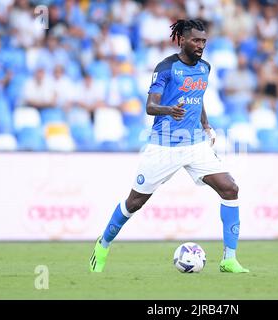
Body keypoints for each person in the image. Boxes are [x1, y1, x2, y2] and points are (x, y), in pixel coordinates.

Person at [89, 19, 249, 274]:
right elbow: (150, 106)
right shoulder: (166, 68)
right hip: (164, 145)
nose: (201, 46)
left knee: (230, 188)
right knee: (135, 202)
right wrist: (168, 110)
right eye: (196, 40)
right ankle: (103, 243)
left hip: (195, 143)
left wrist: (206, 125)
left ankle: (229, 259)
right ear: (182, 40)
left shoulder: (205, 68)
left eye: (204, 41)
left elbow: (199, 99)